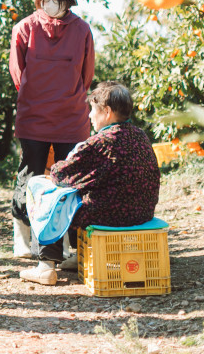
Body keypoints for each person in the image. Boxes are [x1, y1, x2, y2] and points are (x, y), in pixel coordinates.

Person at [20, 81, 160, 285]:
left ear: (108, 112)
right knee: (85, 190)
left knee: (41, 188)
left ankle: (46, 265)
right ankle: (80, 255)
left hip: (109, 216)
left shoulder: (100, 143)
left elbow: (60, 175)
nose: (89, 115)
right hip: (141, 214)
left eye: (93, 110)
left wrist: (70, 156)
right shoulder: (140, 136)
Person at [8, 0, 95, 261]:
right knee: (31, 179)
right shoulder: (25, 28)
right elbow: (18, 76)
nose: (52, 2)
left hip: (71, 120)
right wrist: (38, 98)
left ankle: (69, 246)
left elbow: (86, 76)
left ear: (68, 2)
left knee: (71, 181)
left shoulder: (81, 30)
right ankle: (23, 237)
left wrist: (67, 97)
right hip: (34, 119)